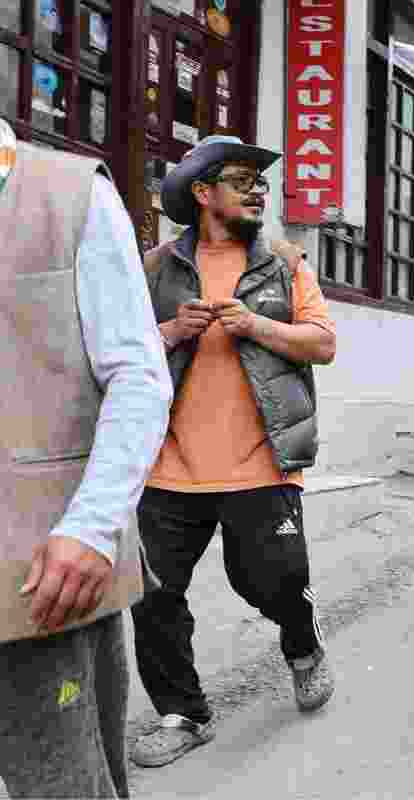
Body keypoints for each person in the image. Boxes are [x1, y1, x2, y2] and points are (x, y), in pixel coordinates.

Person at [130, 135, 339, 768]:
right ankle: (183, 713)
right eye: (242, 179)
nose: (258, 190)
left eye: (261, 182)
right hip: (168, 464)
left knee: (273, 579)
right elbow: (114, 347)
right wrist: (168, 331)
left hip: (261, 459)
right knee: (153, 596)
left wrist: (255, 325)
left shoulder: (283, 263)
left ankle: (302, 645)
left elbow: (323, 344)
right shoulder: (154, 266)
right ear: (201, 193)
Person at [0, 119, 173, 799]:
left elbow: (137, 374)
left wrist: (90, 527)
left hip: (40, 573)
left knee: (66, 787)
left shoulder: (70, 195)